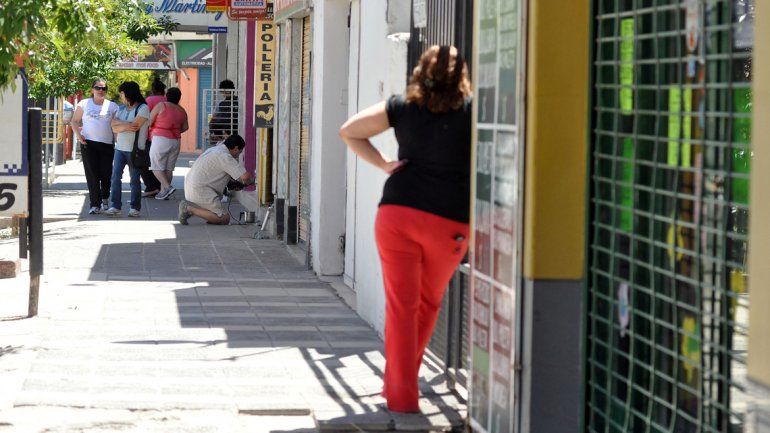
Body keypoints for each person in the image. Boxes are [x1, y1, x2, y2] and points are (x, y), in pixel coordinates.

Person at [338, 45, 472, 413]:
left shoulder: (402, 106)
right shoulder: (472, 111)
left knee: (401, 307)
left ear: (419, 71)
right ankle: (400, 388)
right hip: (449, 220)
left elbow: (349, 131)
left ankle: (400, 393)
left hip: (398, 213)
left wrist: (383, 163)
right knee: (427, 304)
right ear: (461, 74)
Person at [178, 134, 254, 225]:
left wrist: (230, 183)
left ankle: (207, 215)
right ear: (236, 148)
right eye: (240, 152)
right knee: (224, 218)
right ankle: (189, 209)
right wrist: (253, 181)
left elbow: (214, 173)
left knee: (216, 213)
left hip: (191, 186)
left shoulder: (215, 149)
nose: (238, 156)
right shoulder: (225, 156)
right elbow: (245, 177)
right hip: (200, 190)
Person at [70, 79, 119, 215]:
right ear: (92, 90)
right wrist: (79, 137)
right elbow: (74, 121)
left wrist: (118, 143)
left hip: (107, 144)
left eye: (104, 88)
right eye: (98, 88)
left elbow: (115, 127)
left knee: (106, 174)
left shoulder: (112, 106)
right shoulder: (84, 103)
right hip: (88, 143)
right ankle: (94, 204)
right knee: (92, 174)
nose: (101, 91)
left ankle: (104, 198)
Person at [104, 81, 150, 217]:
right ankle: (115, 206)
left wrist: (121, 125)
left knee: (134, 180)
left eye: (122, 93)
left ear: (129, 93)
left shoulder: (143, 108)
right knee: (115, 177)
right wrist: (126, 125)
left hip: (135, 150)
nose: (120, 96)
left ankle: (135, 208)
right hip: (120, 148)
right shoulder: (121, 109)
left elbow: (135, 126)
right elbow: (112, 125)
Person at [148, 87, 189, 200]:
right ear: (179, 98)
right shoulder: (182, 110)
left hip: (160, 138)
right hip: (175, 141)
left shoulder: (161, 105)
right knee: (168, 168)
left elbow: (149, 121)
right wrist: (174, 130)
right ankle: (163, 193)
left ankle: (167, 187)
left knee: (156, 166)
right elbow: (185, 127)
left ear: (167, 96)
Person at [140, 78, 166, 197]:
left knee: (145, 163)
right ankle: (162, 187)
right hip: (167, 137)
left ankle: (151, 187)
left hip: (150, 136)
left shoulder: (149, 100)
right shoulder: (167, 100)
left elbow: (144, 117)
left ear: (152, 90)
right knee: (162, 163)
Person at [208, 79, 238, 144]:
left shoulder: (222, 104)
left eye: (224, 91)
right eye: (223, 91)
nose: (223, 93)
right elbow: (213, 118)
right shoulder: (222, 103)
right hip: (229, 131)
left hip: (229, 131)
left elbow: (213, 119)